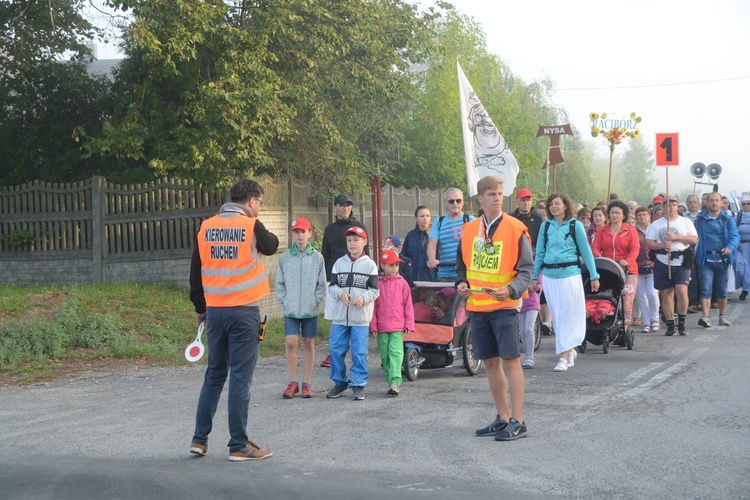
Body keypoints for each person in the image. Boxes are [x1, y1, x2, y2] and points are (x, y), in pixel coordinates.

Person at [189, 178, 278, 461]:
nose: (260, 209)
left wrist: (200, 309)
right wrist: (255, 225)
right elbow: (273, 245)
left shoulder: (207, 227)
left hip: (215, 313)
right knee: (240, 378)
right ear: (251, 201)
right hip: (243, 313)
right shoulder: (251, 225)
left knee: (214, 375)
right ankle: (238, 445)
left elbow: (195, 272)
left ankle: (199, 440)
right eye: (260, 203)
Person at [455, 175, 533, 441]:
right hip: (477, 307)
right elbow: (461, 267)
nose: (497, 198)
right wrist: (461, 283)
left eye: (500, 194)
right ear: (480, 198)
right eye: (491, 194)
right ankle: (502, 417)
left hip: (504, 307)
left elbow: (526, 271)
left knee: (511, 361)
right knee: (489, 362)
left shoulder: (516, 228)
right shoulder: (468, 230)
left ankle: (519, 421)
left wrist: (510, 290)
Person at [531, 193, 600, 372]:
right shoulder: (545, 226)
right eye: (551, 204)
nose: (554, 207)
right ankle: (569, 350)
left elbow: (586, 252)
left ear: (565, 206)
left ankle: (563, 356)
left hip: (570, 275)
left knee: (566, 314)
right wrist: (534, 277)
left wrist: (594, 276)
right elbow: (539, 253)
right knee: (557, 316)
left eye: (557, 203)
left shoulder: (575, 225)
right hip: (549, 276)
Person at [326, 226, 380, 400]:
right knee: (335, 350)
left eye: (356, 240)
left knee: (358, 352)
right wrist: (340, 294)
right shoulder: (339, 263)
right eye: (349, 240)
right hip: (340, 317)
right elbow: (332, 286)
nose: (352, 244)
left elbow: (375, 291)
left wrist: (363, 299)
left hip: (360, 318)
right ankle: (340, 382)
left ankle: (358, 384)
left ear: (364, 242)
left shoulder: (370, 265)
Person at [276, 218, 327, 399]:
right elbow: (279, 283)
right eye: (296, 232)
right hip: (291, 309)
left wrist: (316, 301)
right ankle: (293, 381)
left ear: (310, 233)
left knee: (308, 343)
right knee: (291, 342)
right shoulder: (285, 257)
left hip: (309, 309)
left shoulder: (317, 258)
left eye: (303, 231)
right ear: (292, 234)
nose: (300, 235)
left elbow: (322, 285)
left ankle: (306, 383)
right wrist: (284, 300)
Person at [320, 193, 369, 368]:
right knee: (335, 315)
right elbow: (325, 256)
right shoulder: (330, 230)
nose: (344, 208)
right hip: (335, 277)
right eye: (341, 205)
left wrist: (367, 277)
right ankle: (333, 352)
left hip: (356, 276)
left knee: (357, 312)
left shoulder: (359, 226)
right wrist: (326, 280)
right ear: (335, 208)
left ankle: (362, 349)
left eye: (347, 205)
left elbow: (366, 254)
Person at [645, 196, 698, 336]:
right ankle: (670, 324)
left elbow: (693, 239)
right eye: (668, 205)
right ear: (663, 207)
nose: (671, 208)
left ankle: (682, 322)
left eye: (674, 205)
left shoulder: (685, 222)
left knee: (681, 291)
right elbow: (649, 242)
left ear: (677, 207)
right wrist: (662, 245)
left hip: (681, 261)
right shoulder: (656, 224)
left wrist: (676, 238)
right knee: (666, 294)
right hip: (663, 260)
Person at [370, 249, 414, 396]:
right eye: (391, 265)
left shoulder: (403, 284)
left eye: (396, 265)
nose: (394, 268)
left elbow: (408, 305)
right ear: (382, 266)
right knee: (385, 354)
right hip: (382, 326)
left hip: (397, 326)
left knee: (395, 352)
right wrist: (373, 325)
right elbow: (374, 307)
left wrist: (409, 323)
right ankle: (391, 380)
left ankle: (395, 381)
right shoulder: (378, 284)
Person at [592, 200, 639, 335]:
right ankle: (606, 323)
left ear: (623, 215)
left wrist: (627, 261)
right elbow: (595, 247)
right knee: (606, 297)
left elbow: (635, 249)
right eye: (612, 212)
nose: (614, 215)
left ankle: (624, 326)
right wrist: (601, 260)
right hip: (608, 270)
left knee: (626, 298)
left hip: (627, 271)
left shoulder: (630, 231)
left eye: (617, 213)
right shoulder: (602, 231)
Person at [694, 191, 740, 328]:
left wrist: (729, 248)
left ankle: (722, 316)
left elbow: (735, 236)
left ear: (721, 203)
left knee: (722, 290)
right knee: (705, 288)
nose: (714, 203)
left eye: (716, 200)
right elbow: (693, 237)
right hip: (705, 259)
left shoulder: (727, 219)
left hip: (722, 258)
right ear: (707, 202)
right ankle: (705, 317)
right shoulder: (700, 220)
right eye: (711, 200)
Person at [427, 188, 475, 281]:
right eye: (451, 201)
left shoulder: (471, 220)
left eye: (458, 200)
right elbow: (432, 244)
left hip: (466, 274)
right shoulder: (439, 222)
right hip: (444, 274)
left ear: (463, 202)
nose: (455, 203)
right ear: (445, 203)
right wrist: (432, 259)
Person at [634, 206, 660, 333]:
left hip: (653, 266)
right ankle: (646, 322)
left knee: (652, 293)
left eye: (644, 214)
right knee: (641, 296)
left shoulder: (655, 229)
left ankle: (655, 319)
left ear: (650, 216)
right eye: (639, 215)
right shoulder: (633, 231)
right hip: (637, 266)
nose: (642, 217)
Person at [402, 205, 434, 282]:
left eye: (427, 216)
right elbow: (404, 256)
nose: (425, 219)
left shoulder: (434, 236)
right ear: (416, 218)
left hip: (430, 277)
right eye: (422, 216)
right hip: (413, 277)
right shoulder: (410, 236)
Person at [685, 194, 702, 313]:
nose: (692, 204)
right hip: (689, 252)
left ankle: (703, 300)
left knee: (703, 276)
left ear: (699, 203)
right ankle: (693, 301)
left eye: (695, 202)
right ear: (686, 204)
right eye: (690, 202)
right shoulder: (684, 219)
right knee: (692, 278)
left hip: (702, 250)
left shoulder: (703, 217)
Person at [735, 195, 750, 301]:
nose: (746, 206)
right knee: (740, 268)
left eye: (748, 203)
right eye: (743, 204)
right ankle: (745, 288)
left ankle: (745, 290)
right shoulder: (737, 217)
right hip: (740, 247)